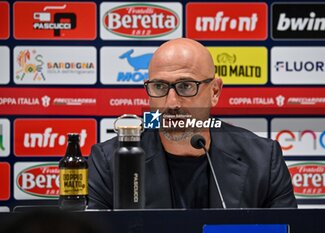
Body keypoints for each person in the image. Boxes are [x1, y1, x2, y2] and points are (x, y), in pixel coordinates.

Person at [88, 38, 297, 209]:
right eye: (159, 86)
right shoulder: (109, 162)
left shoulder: (262, 160)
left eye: (186, 86)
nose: (171, 103)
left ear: (215, 92)